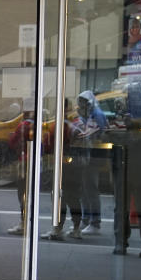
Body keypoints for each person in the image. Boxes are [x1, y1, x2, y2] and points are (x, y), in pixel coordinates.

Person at [107, 82, 141, 259]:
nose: (131, 99)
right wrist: (114, 129)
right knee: (120, 208)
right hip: (122, 166)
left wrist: (135, 126)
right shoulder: (121, 117)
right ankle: (120, 242)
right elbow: (111, 136)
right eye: (129, 96)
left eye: (134, 96)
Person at [41, 99, 84, 240]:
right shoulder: (74, 126)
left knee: (60, 198)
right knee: (72, 198)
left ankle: (59, 228)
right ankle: (76, 228)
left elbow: (47, 146)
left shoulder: (58, 126)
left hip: (61, 167)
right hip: (73, 167)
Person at [71, 90, 107, 234]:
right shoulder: (91, 114)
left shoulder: (96, 115)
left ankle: (94, 222)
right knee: (85, 190)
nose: (80, 106)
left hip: (93, 157)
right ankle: (86, 220)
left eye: (82, 102)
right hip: (88, 156)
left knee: (91, 190)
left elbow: (93, 134)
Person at [6, 98, 35, 236]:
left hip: (24, 161)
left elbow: (13, 142)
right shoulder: (38, 124)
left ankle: (23, 223)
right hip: (36, 162)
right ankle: (28, 222)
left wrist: (10, 136)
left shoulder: (23, 125)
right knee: (30, 193)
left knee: (22, 193)